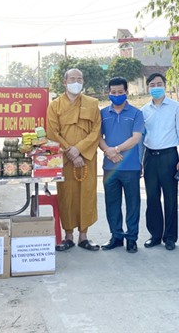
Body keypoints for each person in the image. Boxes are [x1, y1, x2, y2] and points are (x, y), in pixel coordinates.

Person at [46, 68, 102, 252]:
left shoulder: (92, 104)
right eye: (72, 79)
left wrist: (79, 150)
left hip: (87, 158)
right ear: (65, 82)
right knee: (67, 195)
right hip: (65, 158)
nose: (76, 82)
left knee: (87, 194)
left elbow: (96, 131)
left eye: (79, 79)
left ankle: (83, 236)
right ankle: (68, 236)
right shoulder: (55, 105)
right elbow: (52, 133)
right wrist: (71, 152)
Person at [141, 72, 179, 251]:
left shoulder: (176, 107)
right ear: (148, 88)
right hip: (150, 157)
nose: (156, 87)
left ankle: (170, 237)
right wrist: (139, 161)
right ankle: (155, 235)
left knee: (170, 198)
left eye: (159, 84)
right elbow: (140, 137)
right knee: (152, 198)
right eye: (152, 85)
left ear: (165, 85)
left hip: (169, 157)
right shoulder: (144, 110)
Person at [99, 77, 145, 254]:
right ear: (108, 93)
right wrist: (108, 151)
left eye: (120, 92)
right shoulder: (103, 113)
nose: (117, 95)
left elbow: (136, 138)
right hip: (109, 167)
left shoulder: (136, 113)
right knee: (112, 203)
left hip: (130, 167)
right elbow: (98, 137)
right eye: (113, 92)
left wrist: (116, 149)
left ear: (127, 92)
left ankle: (131, 238)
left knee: (133, 204)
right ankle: (116, 236)